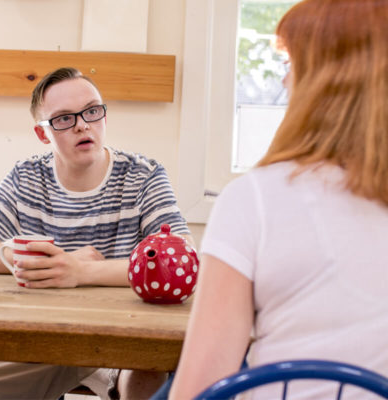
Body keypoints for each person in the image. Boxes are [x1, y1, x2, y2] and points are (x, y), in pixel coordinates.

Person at [161, 0, 388, 399]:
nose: (285, 83)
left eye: (291, 66)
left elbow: (198, 390)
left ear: (323, 80)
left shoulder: (255, 198)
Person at [0, 67, 194, 400]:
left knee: (145, 379)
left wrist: (81, 271)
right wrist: (42, 263)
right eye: (64, 118)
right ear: (42, 133)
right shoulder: (27, 176)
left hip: (128, 334)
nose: (82, 124)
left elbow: (183, 259)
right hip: (48, 334)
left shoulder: (144, 175)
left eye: (92, 111)